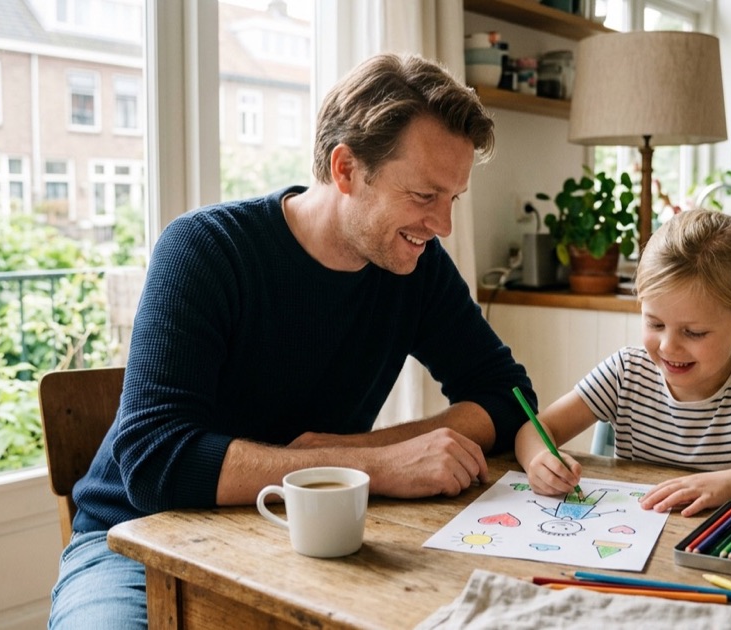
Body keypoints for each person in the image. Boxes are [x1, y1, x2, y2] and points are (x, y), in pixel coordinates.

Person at [49, 53, 536, 628]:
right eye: (425, 196)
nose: (444, 226)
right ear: (346, 168)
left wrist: (357, 456)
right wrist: (379, 466)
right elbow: (157, 461)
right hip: (136, 540)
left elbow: (508, 396)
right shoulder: (205, 250)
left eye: (452, 199)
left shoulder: (416, 266)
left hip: (315, 530)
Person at [515, 210, 731, 518]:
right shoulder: (625, 374)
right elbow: (535, 429)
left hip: (719, 551)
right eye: (654, 324)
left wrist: (730, 483)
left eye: (694, 332)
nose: (669, 346)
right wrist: (537, 460)